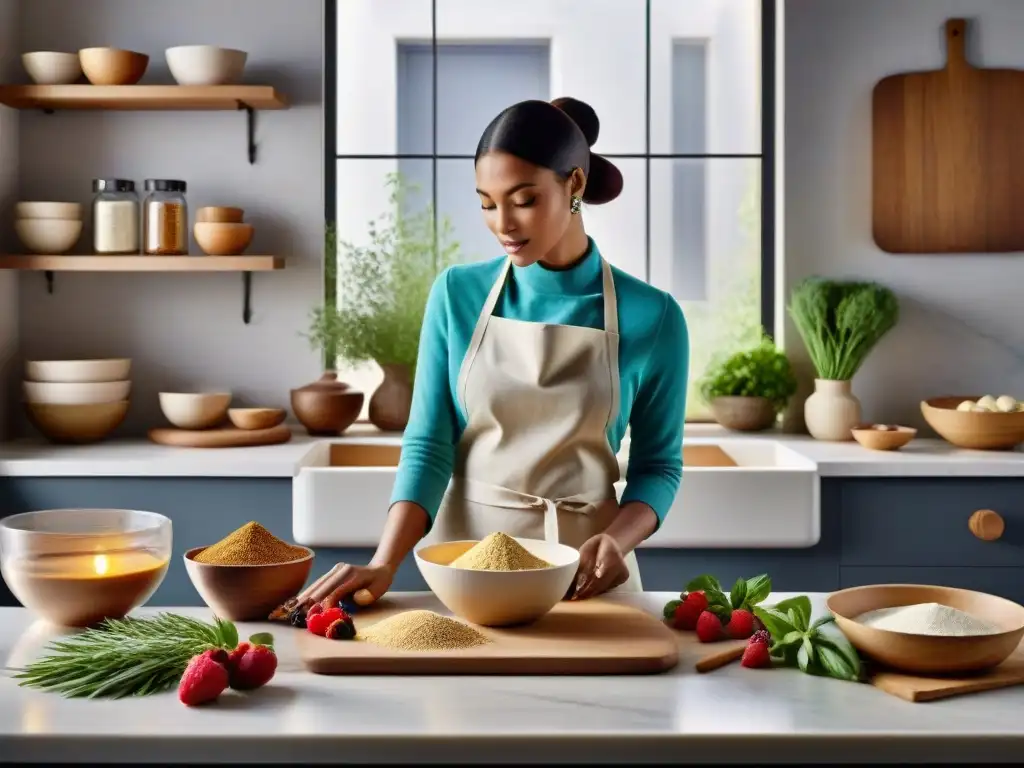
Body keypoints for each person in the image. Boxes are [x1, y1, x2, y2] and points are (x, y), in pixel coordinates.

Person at [311, 97, 688, 607]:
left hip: (586, 572)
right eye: (488, 203)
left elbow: (659, 465)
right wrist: (384, 562)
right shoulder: (456, 294)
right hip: (467, 566)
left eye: (524, 199)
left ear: (574, 184)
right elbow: (429, 443)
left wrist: (617, 540)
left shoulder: (654, 315)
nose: (503, 224)